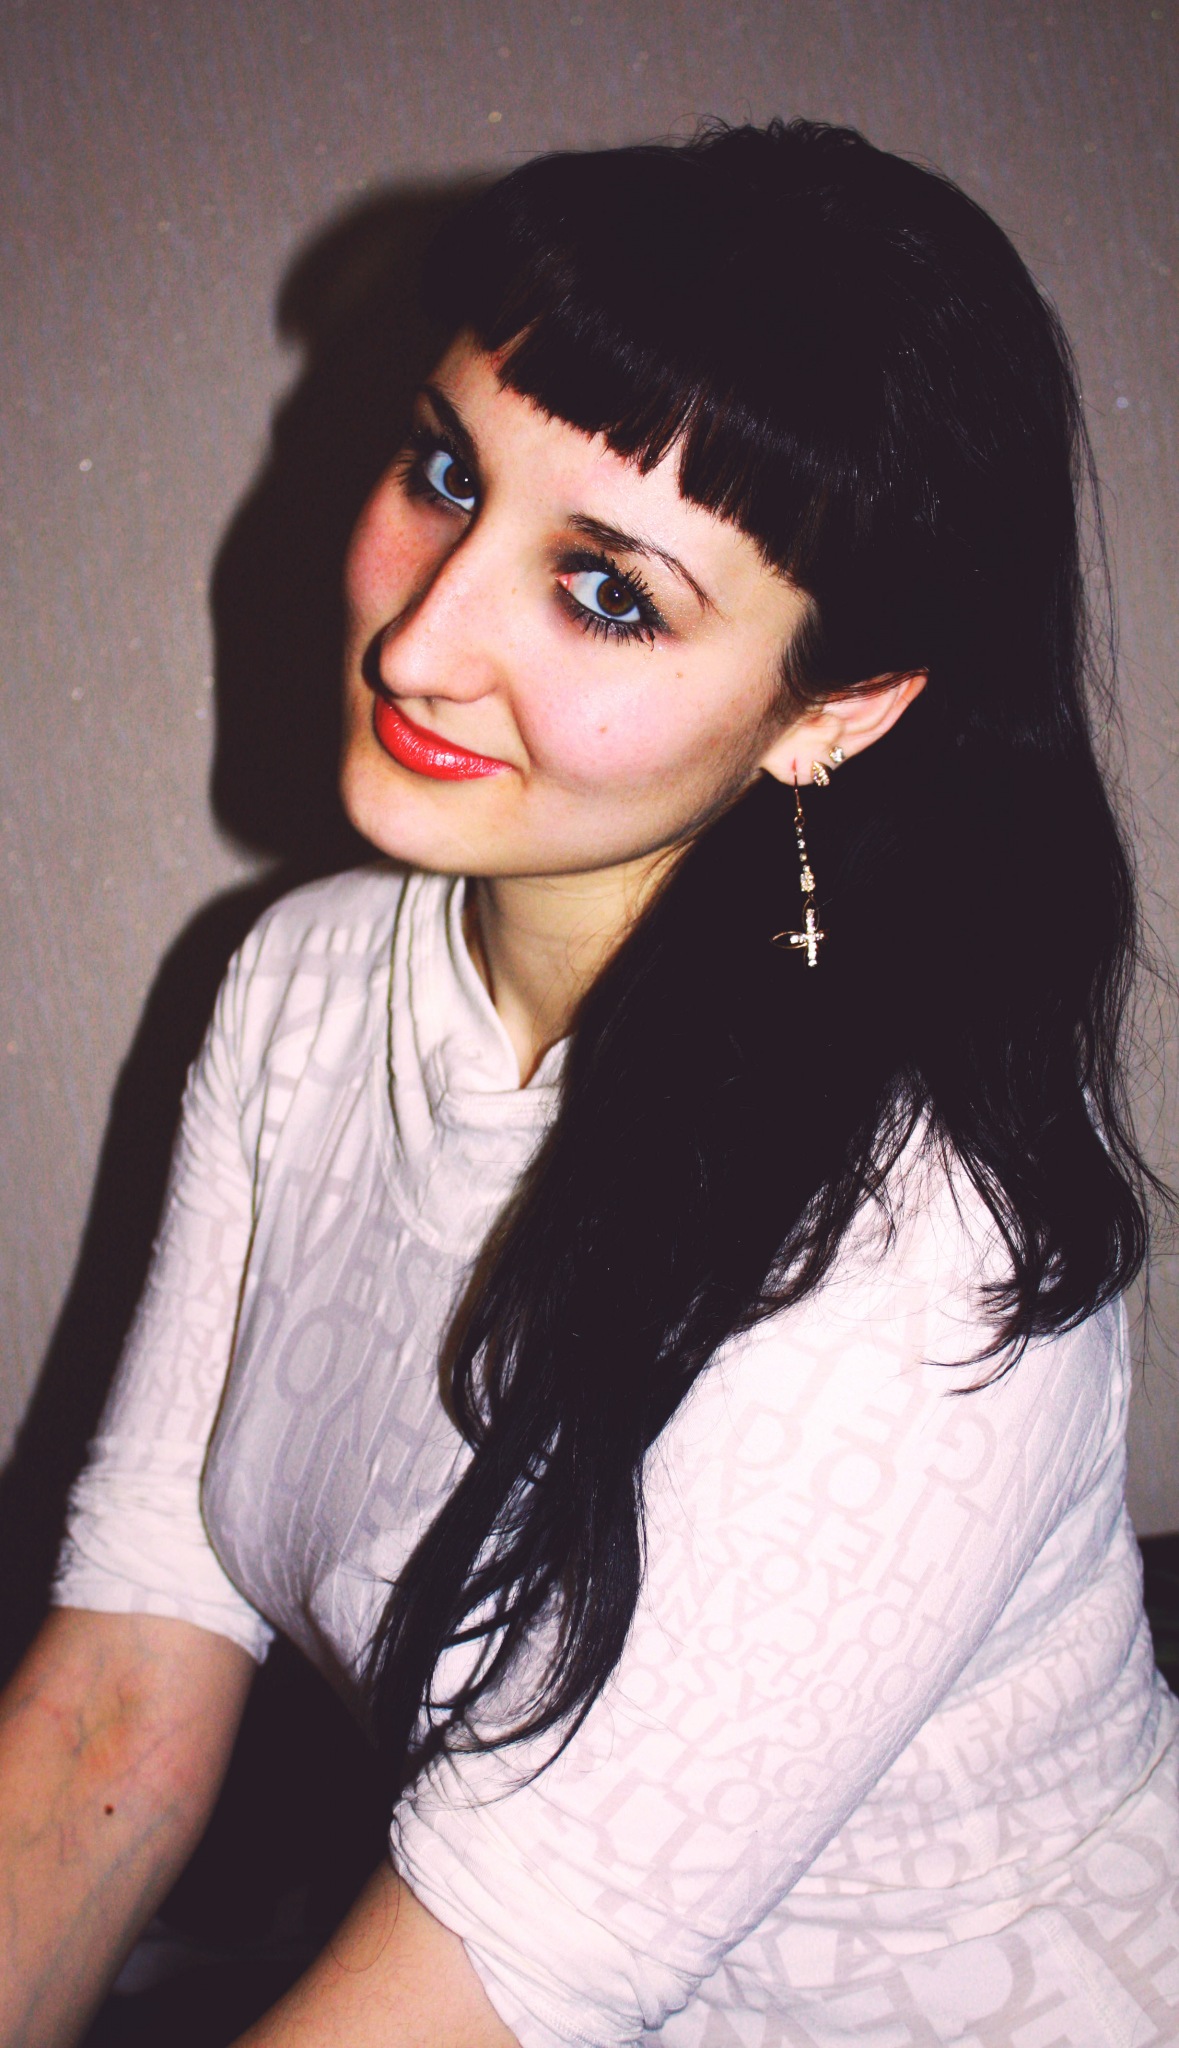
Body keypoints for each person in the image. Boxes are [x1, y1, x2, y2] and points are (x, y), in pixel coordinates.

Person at [1, 116, 1175, 2048]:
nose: (419, 638)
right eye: (445, 474)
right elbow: (121, 1692)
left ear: (835, 709)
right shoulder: (297, 990)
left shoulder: (918, 1249)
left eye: (609, 591)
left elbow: (485, 1979)